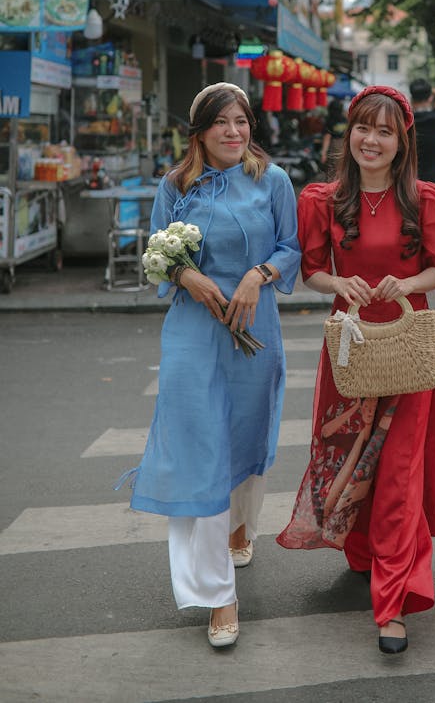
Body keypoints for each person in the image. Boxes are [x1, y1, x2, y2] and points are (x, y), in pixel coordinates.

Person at [277, 85, 435, 656]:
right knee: (354, 460)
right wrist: (340, 283)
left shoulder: (429, 201)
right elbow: (311, 270)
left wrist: (406, 283)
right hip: (350, 349)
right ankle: (364, 554)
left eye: (385, 131)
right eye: (363, 128)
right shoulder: (321, 200)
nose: (372, 140)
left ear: (402, 140)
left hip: (407, 347)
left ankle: (394, 602)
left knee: (401, 476)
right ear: (349, 133)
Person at [117, 82, 301, 648]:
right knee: (201, 450)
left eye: (242, 121)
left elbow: (291, 247)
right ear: (198, 131)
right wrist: (186, 275)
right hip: (194, 332)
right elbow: (157, 252)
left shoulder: (271, 181)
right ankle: (218, 595)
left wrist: (257, 276)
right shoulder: (175, 186)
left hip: (253, 329)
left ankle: (241, 524)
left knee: (245, 438)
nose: (233, 131)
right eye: (221, 122)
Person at [320, 97, 348, 178]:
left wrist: (323, 153)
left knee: (332, 170)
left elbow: (327, 137)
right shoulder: (345, 120)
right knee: (342, 170)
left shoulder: (330, 120)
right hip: (345, 145)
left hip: (334, 145)